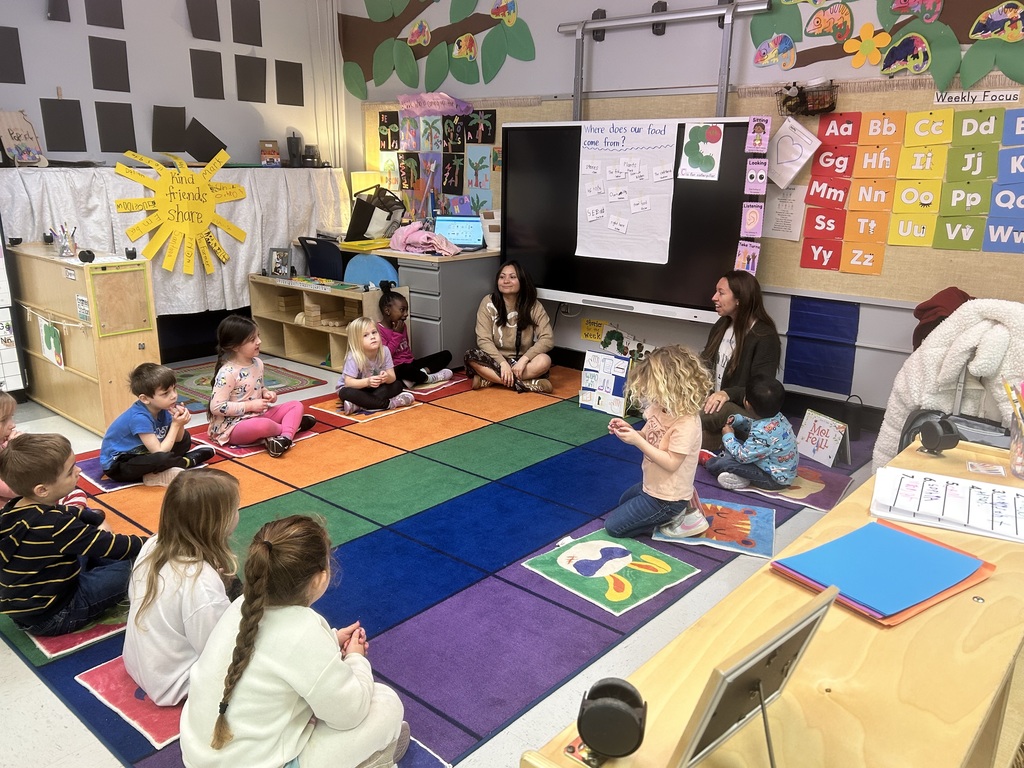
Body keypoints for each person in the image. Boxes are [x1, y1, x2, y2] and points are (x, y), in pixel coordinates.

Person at [180, 515, 408, 768]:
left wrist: (330, 641)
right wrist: (356, 659)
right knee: (386, 703)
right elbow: (350, 714)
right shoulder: (302, 630)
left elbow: (272, 657)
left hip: (196, 758)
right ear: (320, 578)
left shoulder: (240, 607)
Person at [0, 433, 145, 636]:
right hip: (57, 614)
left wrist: (92, 518)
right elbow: (111, 545)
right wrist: (154, 542)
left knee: (89, 544)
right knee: (140, 566)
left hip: (28, 607)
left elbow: (67, 511)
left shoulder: (13, 508)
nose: (78, 471)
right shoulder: (56, 525)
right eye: (70, 472)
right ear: (42, 490)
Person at [123, 468, 241, 706]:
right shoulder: (201, 582)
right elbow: (219, 650)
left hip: (141, 664)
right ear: (216, 522)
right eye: (235, 509)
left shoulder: (154, 543)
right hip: (175, 683)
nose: (238, 514)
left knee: (235, 588)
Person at [604, 345, 712, 540]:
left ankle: (680, 518)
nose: (649, 395)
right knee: (623, 502)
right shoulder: (658, 407)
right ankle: (670, 515)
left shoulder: (687, 422)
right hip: (654, 485)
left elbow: (672, 463)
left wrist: (637, 441)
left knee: (614, 527)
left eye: (653, 388)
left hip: (669, 498)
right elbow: (647, 434)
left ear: (670, 387)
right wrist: (629, 431)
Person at [208, 315, 316, 457]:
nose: (259, 341)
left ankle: (284, 439)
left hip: (259, 414)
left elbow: (259, 387)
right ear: (234, 346)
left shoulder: (258, 363)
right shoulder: (227, 373)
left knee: (296, 405)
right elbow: (216, 407)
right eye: (252, 340)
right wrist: (250, 406)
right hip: (233, 426)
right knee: (263, 425)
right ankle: (293, 427)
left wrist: (267, 393)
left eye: (258, 336)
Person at [700, 270, 781, 449]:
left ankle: (671, 427)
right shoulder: (722, 324)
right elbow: (703, 365)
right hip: (714, 404)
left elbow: (761, 391)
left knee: (722, 410)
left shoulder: (765, 336)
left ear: (740, 299)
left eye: (721, 293)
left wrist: (727, 393)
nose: (714, 297)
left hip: (744, 411)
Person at [101, 363, 216, 486]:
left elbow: (178, 439)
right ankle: (186, 462)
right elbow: (159, 451)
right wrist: (175, 425)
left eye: (174, 389)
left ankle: (160, 471)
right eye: (165, 393)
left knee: (185, 438)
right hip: (119, 464)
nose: (174, 396)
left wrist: (180, 423)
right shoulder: (140, 417)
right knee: (161, 458)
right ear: (145, 399)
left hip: (146, 453)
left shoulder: (163, 407)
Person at [464, 260, 554, 393]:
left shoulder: (533, 305)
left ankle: (490, 379)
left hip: (522, 362)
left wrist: (524, 360)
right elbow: (483, 339)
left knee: (544, 360)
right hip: (495, 360)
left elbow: (548, 339)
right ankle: (525, 384)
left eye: (512, 277)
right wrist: (502, 363)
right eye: (502, 277)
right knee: (470, 356)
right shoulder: (488, 302)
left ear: (522, 281)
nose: (506, 281)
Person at [704, 376, 798, 491]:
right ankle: (741, 476)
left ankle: (711, 463)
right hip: (780, 471)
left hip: (772, 480)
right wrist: (738, 421)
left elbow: (742, 457)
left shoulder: (762, 433)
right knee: (738, 444)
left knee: (725, 463)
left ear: (747, 404)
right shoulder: (778, 417)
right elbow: (755, 426)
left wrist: (728, 436)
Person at [0, 390, 90, 509]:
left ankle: (74, 513)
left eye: (11, 417)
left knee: (73, 492)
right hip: (11, 512)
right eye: (4, 420)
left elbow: (39, 470)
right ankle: (73, 514)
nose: (12, 425)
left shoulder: (4, 443)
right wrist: (13, 453)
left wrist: (23, 447)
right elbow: (16, 489)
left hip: (30, 498)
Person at [377, 280, 453, 387]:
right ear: (387, 311)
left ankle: (419, 375)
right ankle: (429, 378)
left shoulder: (402, 325)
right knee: (405, 369)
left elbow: (407, 351)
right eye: (402, 310)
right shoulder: (378, 330)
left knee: (446, 355)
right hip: (395, 367)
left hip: (411, 364)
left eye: (406, 310)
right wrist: (396, 335)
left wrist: (416, 366)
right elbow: (385, 356)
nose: (406, 314)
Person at [336, 316, 416, 415]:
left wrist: (386, 378)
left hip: (375, 388)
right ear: (357, 341)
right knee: (345, 393)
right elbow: (349, 383)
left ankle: (359, 405)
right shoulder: (353, 356)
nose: (372, 337)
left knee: (397, 385)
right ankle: (390, 404)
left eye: (374, 332)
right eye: (365, 335)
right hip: (356, 388)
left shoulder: (385, 350)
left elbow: (392, 378)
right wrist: (367, 382)